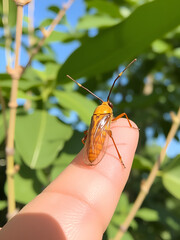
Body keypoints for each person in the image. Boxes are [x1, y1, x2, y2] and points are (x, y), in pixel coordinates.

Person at [0, 118, 139, 240]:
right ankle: (118, 157)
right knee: (114, 137)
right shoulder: (108, 116)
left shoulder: (99, 115)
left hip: (93, 142)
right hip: (99, 142)